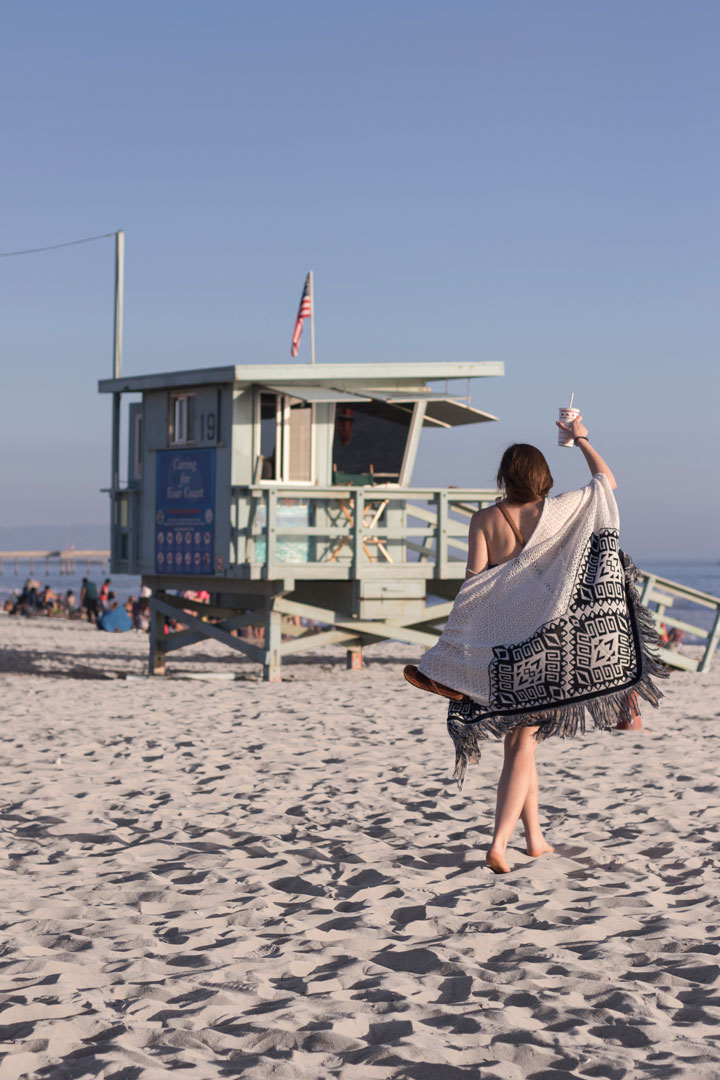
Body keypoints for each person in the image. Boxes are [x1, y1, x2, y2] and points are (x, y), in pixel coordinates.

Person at [404, 415, 666, 874]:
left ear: (504, 476)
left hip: (504, 654)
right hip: (547, 650)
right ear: (543, 476)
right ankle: (499, 844)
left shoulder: (484, 519)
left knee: (520, 743)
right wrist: (580, 438)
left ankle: (535, 838)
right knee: (523, 744)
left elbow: (474, 585)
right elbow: (606, 482)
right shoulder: (561, 510)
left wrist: (457, 648)